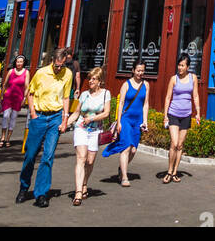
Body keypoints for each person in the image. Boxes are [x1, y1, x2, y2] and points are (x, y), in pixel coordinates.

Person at [16, 46, 72, 208]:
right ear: (52, 61)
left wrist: (65, 119)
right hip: (39, 116)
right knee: (30, 155)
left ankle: (41, 193)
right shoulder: (41, 73)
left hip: (55, 117)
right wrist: (33, 113)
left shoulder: (67, 74)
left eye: (62, 65)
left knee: (48, 156)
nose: (59, 68)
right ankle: (24, 188)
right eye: (57, 65)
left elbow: (66, 97)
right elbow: (30, 93)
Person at [67, 66, 111, 205]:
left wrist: (91, 119)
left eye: (94, 79)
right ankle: (78, 192)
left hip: (95, 130)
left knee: (90, 161)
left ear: (100, 81)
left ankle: (84, 183)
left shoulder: (105, 94)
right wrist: (65, 123)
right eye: (90, 78)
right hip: (81, 128)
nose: (90, 81)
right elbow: (77, 112)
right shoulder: (84, 94)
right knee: (81, 158)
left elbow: (106, 113)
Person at [102, 60, 148, 187]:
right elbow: (121, 103)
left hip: (137, 121)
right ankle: (124, 177)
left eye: (142, 70)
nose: (140, 73)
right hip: (126, 119)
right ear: (133, 70)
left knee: (133, 150)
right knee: (126, 146)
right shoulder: (126, 85)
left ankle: (121, 168)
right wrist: (119, 122)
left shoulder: (146, 85)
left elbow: (145, 104)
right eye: (138, 70)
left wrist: (145, 121)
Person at [161, 53, 200, 183]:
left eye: (183, 65)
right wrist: (165, 115)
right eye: (179, 65)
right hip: (173, 114)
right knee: (174, 143)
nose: (180, 68)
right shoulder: (173, 79)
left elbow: (195, 96)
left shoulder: (193, 78)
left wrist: (198, 112)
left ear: (188, 67)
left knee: (180, 145)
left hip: (186, 115)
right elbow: (167, 97)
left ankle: (175, 172)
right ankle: (168, 171)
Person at [0, 54, 29, 148]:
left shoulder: (26, 72)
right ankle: (2, 137)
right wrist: (1, 96)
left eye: (21, 62)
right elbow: (5, 84)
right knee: (5, 116)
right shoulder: (11, 71)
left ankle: (8, 138)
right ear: (15, 62)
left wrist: (25, 98)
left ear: (23, 63)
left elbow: (27, 86)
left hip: (18, 98)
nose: (19, 63)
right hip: (8, 96)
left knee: (13, 118)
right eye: (17, 61)